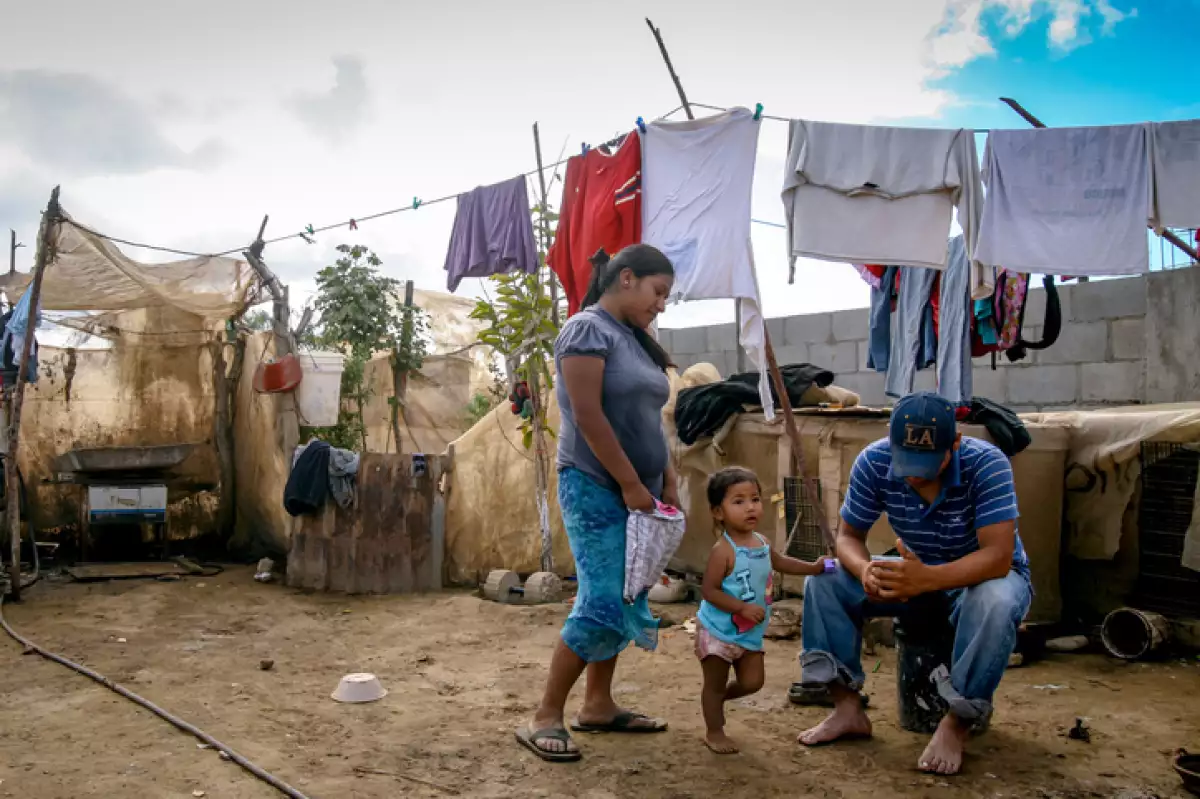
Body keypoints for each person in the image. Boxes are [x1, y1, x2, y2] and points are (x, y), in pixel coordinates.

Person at [796, 391, 1031, 776]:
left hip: (978, 577)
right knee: (827, 579)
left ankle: (957, 723)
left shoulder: (987, 464)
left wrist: (929, 579)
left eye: (926, 462)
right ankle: (847, 709)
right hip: (916, 572)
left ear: (954, 444)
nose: (913, 473)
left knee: (996, 601)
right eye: (906, 461)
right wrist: (865, 570)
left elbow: (997, 557)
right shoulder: (874, 460)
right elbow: (848, 538)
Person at [516, 244, 678, 763]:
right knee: (602, 600)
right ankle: (545, 714)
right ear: (626, 278)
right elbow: (587, 416)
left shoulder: (637, 338)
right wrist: (632, 484)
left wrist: (666, 478)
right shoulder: (587, 329)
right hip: (594, 485)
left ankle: (599, 705)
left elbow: (651, 419)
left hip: (640, 488)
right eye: (658, 293)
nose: (661, 305)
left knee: (627, 596)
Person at [696, 466, 827, 754]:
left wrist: (813, 568)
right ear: (719, 512)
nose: (750, 507)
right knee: (714, 684)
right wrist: (741, 607)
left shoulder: (763, 543)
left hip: (749, 633)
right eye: (739, 501)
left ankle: (715, 700)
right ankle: (714, 729)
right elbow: (709, 591)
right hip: (718, 631)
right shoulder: (724, 551)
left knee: (753, 682)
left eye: (755, 499)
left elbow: (781, 562)